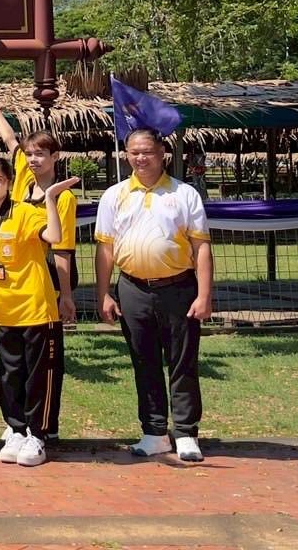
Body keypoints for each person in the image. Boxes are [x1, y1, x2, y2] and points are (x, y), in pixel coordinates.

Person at [95, 128, 213, 463]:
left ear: (163, 153)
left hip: (178, 288)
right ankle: (154, 432)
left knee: (182, 362)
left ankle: (186, 433)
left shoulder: (184, 194)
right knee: (143, 362)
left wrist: (204, 295)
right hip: (132, 288)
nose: (140, 158)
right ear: (126, 154)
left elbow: (201, 247)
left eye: (147, 151)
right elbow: (105, 249)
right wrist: (104, 294)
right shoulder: (114, 195)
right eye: (134, 152)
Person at [0, 83, 79, 437]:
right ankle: (17, 421)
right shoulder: (20, 174)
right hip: (13, 270)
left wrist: (65, 295)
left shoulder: (63, 198)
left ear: (55, 157)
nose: (33, 159)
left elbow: (62, 249)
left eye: (41, 154)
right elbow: (9, 139)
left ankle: (44, 425)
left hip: (45, 271)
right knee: (14, 360)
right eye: (31, 154)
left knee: (44, 360)